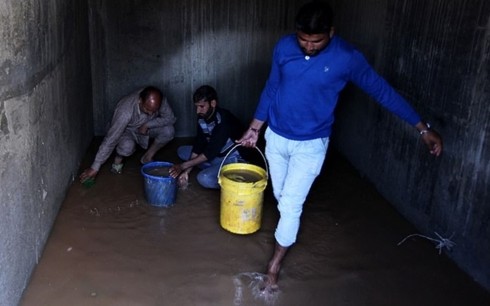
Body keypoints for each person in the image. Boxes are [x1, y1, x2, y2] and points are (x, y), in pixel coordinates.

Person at [237, 1, 443, 292]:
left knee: (292, 206)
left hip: (310, 146)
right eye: (303, 40)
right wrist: (255, 128)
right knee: (282, 198)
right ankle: (287, 230)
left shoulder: (348, 58)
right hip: (276, 138)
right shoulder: (284, 48)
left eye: (316, 41)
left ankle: (274, 266)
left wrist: (423, 128)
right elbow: (271, 87)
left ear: (331, 32)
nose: (308, 47)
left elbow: (382, 91)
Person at [79, 86, 176, 183]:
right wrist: (95, 167)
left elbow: (170, 118)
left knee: (169, 131)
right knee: (127, 147)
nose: (151, 113)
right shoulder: (125, 111)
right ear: (140, 101)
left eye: (154, 111)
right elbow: (111, 138)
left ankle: (147, 157)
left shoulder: (160, 100)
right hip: (126, 130)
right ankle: (119, 157)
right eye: (147, 109)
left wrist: (148, 124)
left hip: (144, 128)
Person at [169, 85, 246, 189]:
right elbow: (199, 143)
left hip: (230, 158)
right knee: (181, 151)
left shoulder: (224, 120)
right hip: (214, 155)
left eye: (201, 106)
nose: (197, 111)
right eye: (196, 106)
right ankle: (210, 167)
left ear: (213, 103)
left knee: (204, 178)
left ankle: (231, 181)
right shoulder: (202, 117)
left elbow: (210, 152)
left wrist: (182, 166)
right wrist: (186, 172)